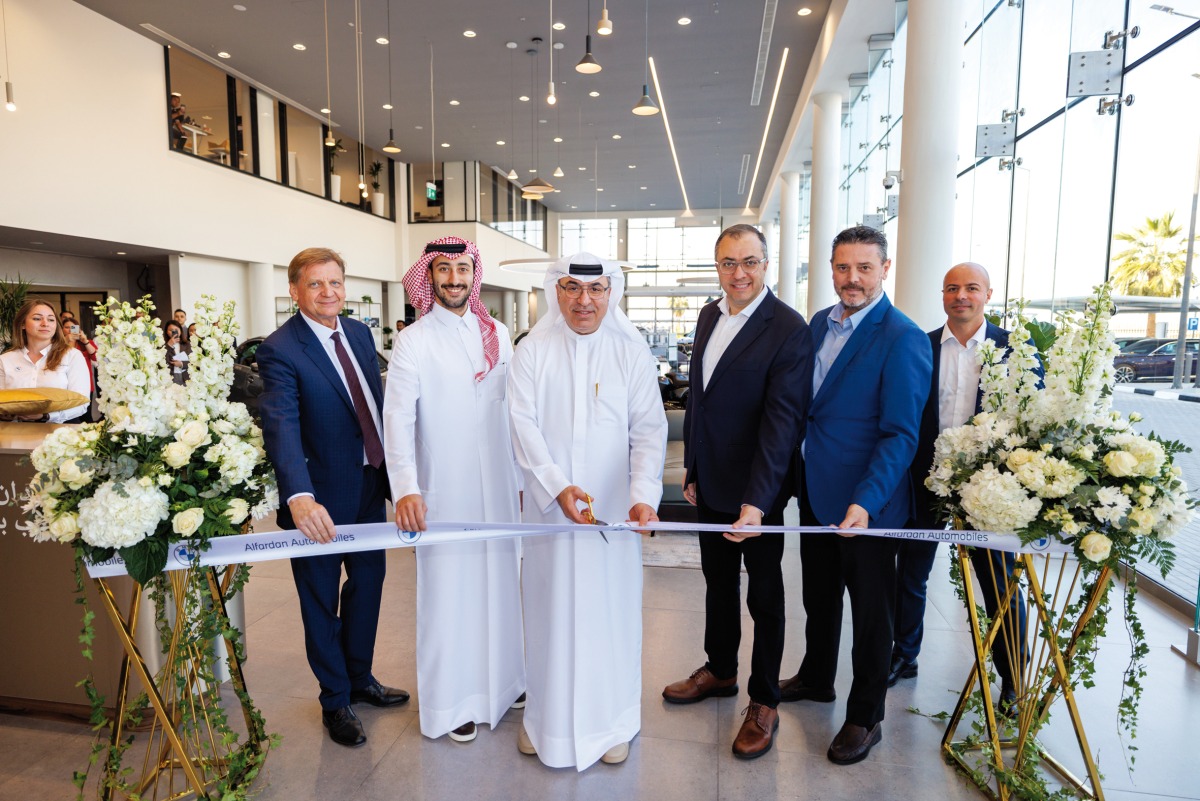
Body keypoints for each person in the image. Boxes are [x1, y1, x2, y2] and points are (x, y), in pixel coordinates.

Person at [779, 225, 932, 766]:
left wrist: (865, 502)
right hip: (818, 493)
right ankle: (817, 678)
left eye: (864, 267)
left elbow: (900, 435)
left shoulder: (903, 336)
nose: (852, 278)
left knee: (871, 616)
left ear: (884, 269)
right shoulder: (821, 322)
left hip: (870, 506)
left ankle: (866, 716)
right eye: (843, 267)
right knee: (818, 599)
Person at [508, 252, 667, 770]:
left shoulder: (631, 351)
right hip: (552, 515)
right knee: (549, 613)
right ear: (557, 292)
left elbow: (648, 430)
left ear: (610, 294)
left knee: (609, 615)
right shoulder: (533, 350)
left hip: (613, 516)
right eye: (573, 288)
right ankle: (546, 722)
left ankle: (610, 722)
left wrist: (643, 493)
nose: (584, 300)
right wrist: (556, 487)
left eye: (595, 290)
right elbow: (522, 427)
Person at [661, 224, 813, 760]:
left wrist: (758, 501)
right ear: (717, 268)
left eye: (749, 261)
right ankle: (721, 670)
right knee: (717, 586)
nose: (739, 273)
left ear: (767, 264)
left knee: (765, 596)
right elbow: (700, 399)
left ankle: (764, 700)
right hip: (714, 483)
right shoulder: (708, 315)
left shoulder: (788, 328)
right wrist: (693, 466)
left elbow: (783, 422)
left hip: (759, 493)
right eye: (728, 263)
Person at [256, 247, 409, 748]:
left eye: (336, 283)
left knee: (368, 586)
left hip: (369, 485)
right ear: (294, 291)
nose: (328, 293)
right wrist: (299, 496)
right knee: (320, 601)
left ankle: (360, 678)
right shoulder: (281, 349)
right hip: (318, 500)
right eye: (316, 284)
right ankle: (334, 699)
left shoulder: (361, 334)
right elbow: (281, 426)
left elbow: (377, 405)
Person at [382, 236, 525, 745]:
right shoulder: (413, 341)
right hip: (444, 489)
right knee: (450, 595)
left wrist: (526, 478)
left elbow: (514, 411)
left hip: (500, 488)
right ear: (430, 276)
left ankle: (505, 685)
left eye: (462, 269)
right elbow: (396, 419)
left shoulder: (499, 333)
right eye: (443, 270)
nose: (454, 280)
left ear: (474, 274)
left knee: (502, 585)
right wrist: (405, 488)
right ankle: (452, 703)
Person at [894, 262, 1029, 709]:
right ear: (942, 294)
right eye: (952, 288)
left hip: (988, 489)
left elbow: (1029, 422)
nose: (961, 296)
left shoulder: (1016, 351)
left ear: (988, 293)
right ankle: (904, 656)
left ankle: (1012, 676)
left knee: (999, 581)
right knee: (910, 574)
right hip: (925, 480)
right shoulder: (921, 346)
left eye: (971, 288)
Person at [0, 299, 91, 423]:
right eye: (37, 319)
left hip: (61, 434)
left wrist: (46, 416)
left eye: (51, 319)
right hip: (15, 433)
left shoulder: (72, 356)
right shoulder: (5, 359)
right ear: (22, 324)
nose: (45, 323)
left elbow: (82, 402)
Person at [163, 320, 191, 385]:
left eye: (176, 329)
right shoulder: (163, 346)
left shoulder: (187, 344)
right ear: (167, 332)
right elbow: (163, 362)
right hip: (170, 376)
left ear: (180, 330)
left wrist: (182, 364)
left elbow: (192, 361)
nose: (174, 331)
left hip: (185, 376)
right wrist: (169, 345)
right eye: (171, 330)